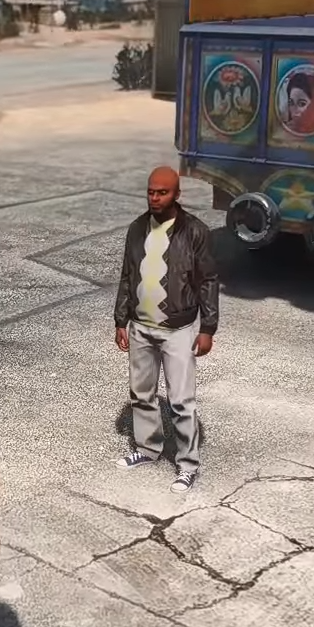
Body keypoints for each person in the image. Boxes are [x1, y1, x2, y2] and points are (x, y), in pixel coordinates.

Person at [114, 166, 218, 492]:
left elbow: (208, 281)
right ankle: (147, 449)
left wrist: (208, 327)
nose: (155, 198)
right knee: (141, 394)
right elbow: (127, 276)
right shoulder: (137, 228)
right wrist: (121, 320)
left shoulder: (195, 232)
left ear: (176, 194)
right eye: (151, 192)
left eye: (162, 192)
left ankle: (187, 465)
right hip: (140, 327)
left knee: (182, 401)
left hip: (178, 330)